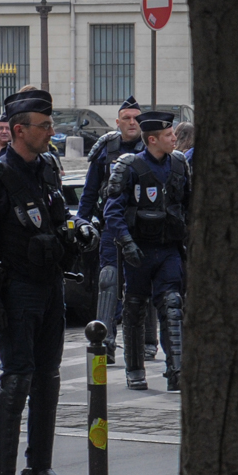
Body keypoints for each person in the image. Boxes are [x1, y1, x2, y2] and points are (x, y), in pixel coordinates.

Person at [0, 88, 98, 475]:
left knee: (48, 379)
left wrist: (79, 231)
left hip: (49, 285)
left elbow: (59, 219)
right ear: (20, 130)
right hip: (16, 289)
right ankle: (1, 473)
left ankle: (39, 466)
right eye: (45, 126)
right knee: (17, 378)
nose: (51, 131)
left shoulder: (48, 168)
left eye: (51, 124)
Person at [103, 110, 190, 393]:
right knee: (135, 308)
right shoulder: (129, 167)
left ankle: (176, 369)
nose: (174, 138)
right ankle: (135, 369)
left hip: (168, 249)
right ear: (152, 139)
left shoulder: (179, 165)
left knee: (173, 305)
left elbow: (189, 204)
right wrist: (126, 243)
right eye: (168, 135)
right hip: (139, 250)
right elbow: (113, 210)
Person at [76, 96, 146, 363]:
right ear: (117, 122)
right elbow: (90, 192)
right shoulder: (105, 148)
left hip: (141, 229)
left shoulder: (149, 147)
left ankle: (144, 343)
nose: (131, 122)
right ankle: (105, 342)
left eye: (135, 118)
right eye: (126, 118)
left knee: (140, 289)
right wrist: (82, 222)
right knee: (109, 281)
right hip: (110, 228)